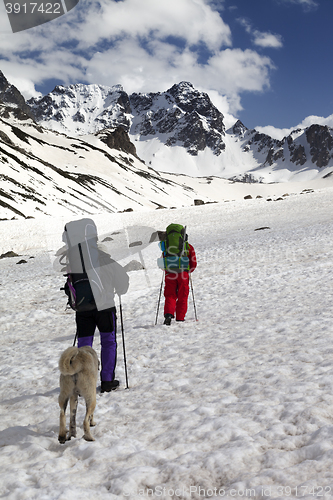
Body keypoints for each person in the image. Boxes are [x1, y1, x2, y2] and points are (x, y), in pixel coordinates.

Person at [61, 218, 129, 393]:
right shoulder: (105, 259)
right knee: (108, 342)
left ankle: (83, 384)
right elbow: (123, 282)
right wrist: (119, 290)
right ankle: (107, 381)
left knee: (84, 346)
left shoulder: (75, 261)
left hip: (82, 309)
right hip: (105, 307)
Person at [161, 225, 197, 325]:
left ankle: (168, 314)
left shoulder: (167, 247)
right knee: (182, 295)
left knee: (170, 295)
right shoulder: (188, 247)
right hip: (183, 274)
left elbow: (163, 261)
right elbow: (193, 263)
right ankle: (180, 318)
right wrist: (188, 271)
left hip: (170, 273)